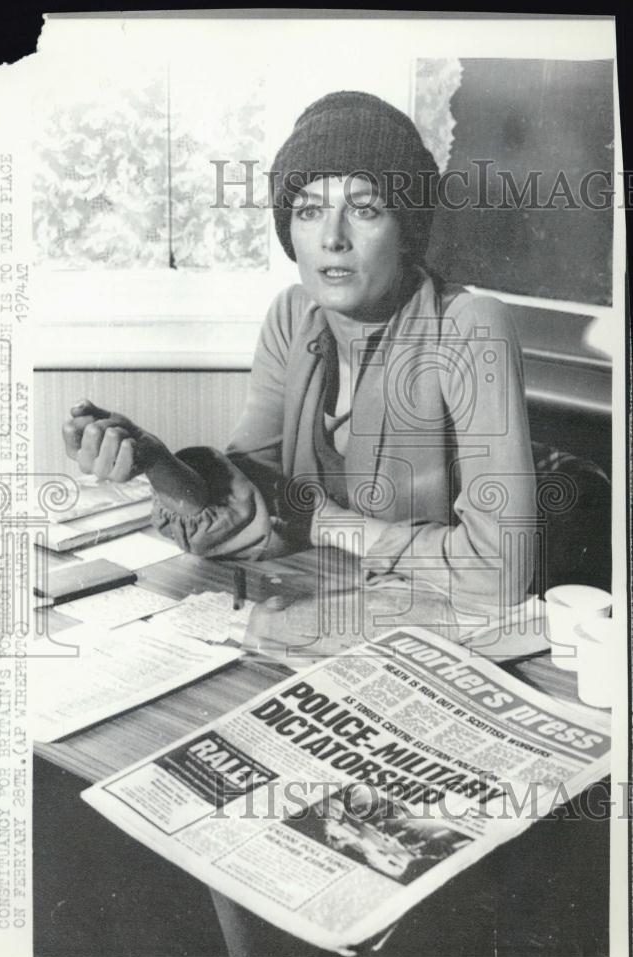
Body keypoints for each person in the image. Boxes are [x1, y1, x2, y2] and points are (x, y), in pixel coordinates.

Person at [62, 90, 536, 632]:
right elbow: (253, 495)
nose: (332, 239)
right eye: (308, 211)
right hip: (327, 596)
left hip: (441, 625)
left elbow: (501, 572)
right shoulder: (293, 316)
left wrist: (328, 524)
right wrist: (160, 464)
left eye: (364, 209)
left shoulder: (471, 326)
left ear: (407, 230)